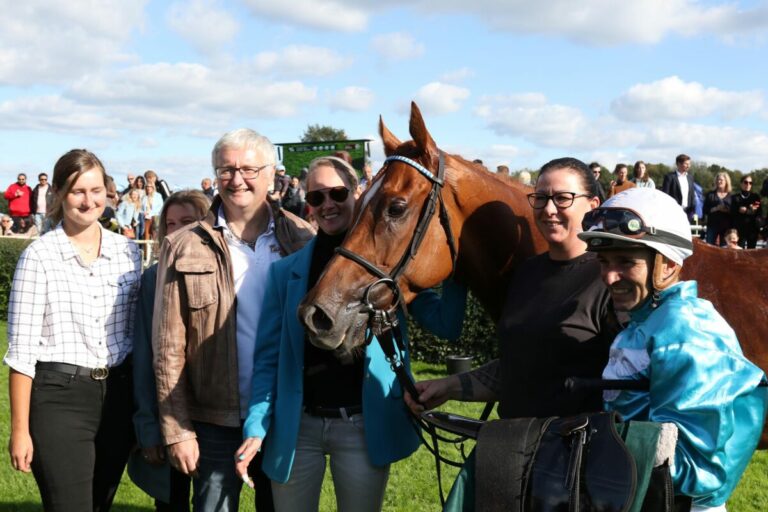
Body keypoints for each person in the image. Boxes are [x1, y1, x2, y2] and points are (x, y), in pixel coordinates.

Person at [235, 156, 467, 512]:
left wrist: (456, 265)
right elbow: (268, 359)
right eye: (316, 197)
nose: (327, 204)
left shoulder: (390, 266)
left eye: (338, 193)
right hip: (299, 426)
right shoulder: (286, 273)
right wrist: (256, 424)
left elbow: (445, 324)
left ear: (358, 193)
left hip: (362, 425)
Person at [153, 128, 314, 511]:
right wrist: (177, 430)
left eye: (248, 169)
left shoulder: (303, 238)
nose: (236, 179)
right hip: (213, 420)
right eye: (225, 170)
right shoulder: (184, 244)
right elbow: (168, 346)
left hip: (284, 414)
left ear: (272, 174)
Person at [579, 187, 766, 511]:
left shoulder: (686, 330)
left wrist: (584, 450)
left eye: (625, 261)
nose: (609, 277)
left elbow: (697, 472)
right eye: (604, 261)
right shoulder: (648, 320)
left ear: (666, 264)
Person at [406, 156, 618, 436]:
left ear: (593, 206)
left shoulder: (611, 279)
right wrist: (447, 386)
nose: (549, 209)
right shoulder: (526, 273)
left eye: (563, 198)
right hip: (511, 446)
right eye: (540, 198)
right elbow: (518, 367)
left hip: (574, 456)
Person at [5, 149, 142, 511]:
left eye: (96, 190)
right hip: (59, 399)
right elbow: (21, 353)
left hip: (118, 397)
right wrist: (20, 430)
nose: (88, 200)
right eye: (77, 191)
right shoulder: (39, 256)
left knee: (100, 504)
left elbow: (136, 336)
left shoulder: (128, 252)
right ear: (59, 195)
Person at [130, 190, 210, 511]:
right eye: (170, 223)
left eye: (187, 222)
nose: (176, 231)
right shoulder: (153, 277)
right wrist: (149, 426)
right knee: (172, 500)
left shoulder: (227, 270)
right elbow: (144, 357)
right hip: (170, 411)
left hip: (216, 413)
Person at [661, 154, 696, 221]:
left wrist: (693, 210)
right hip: (674, 211)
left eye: (689, 164)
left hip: (687, 212)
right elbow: (665, 195)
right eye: (686, 164)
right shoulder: (669, 177)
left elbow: (692, 195)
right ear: (679, 163)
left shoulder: (690, 177)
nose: (688, 166)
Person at [731, 174, 761, 249]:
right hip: (739, 230)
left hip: (752, 230)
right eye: (746, 182)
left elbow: (757, 211)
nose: (748, 184)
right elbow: (732, 211)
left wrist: (746, 210)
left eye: (750, 183)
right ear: (741, 184)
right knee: (740, 252)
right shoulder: (735, 197)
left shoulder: (755, 197)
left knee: (751, 253)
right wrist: (742, 210)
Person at [703, 172, 732, 246]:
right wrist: (715, 209)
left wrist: (725, 210)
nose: (719, 182)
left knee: (725, 249)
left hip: (726, 227)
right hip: (712, 226)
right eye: (718, 180)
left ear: (726, 181)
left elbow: (734, 211)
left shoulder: (731, 196)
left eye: (721, 180)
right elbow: (705, 210)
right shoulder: (710, 195)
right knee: (709, 247)